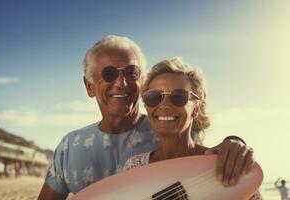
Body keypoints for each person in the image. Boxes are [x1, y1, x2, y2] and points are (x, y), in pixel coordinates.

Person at [38, 35, 255, 200]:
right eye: (109, 74)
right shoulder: (70, 147)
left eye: (131, 73)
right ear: (89, 86)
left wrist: (236, 144)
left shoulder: (170, 126)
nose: (121, 83)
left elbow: (210, 157)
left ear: (140, 83)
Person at [123, 58, 262, 199]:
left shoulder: (224, 164)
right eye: (154, 97)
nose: (164, 105)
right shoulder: (135, 166)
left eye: (178, 97)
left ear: (195, 109)